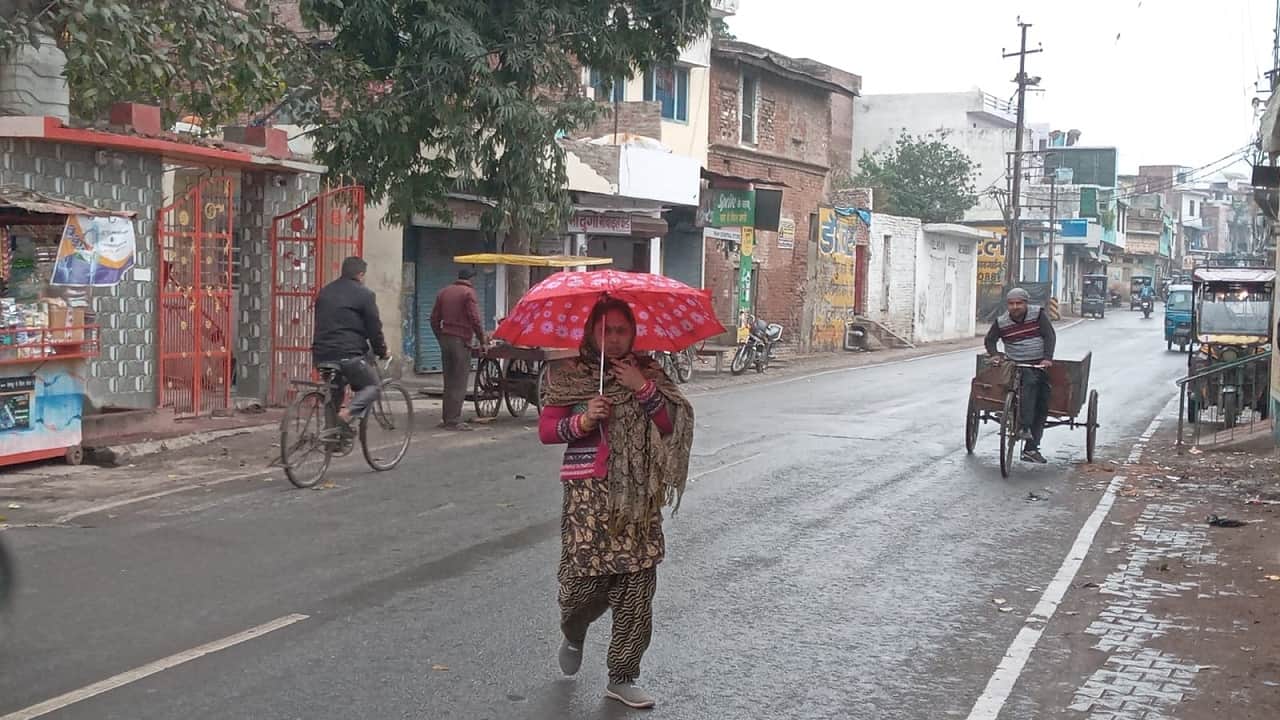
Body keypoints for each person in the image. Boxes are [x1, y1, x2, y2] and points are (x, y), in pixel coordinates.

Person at [538, 298, 694, 710]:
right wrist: (584, 420)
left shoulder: (649, 372)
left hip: (638, 498)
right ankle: (574, 630)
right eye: (605, 330)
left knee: (637, 586)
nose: (614, 338)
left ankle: (623, 676)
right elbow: (547, 430)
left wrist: (642, 388)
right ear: (592, 333)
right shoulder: (572, 376)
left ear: (633, 334)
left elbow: (671, 424)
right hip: (588, 495)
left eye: (622, 330)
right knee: (582, 587)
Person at [312, 256, 388, 433]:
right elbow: (374, 327)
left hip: (321, 353)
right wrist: (381, 350)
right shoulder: (365, 294)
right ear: (360, 274)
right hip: (348, 354)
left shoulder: (325, 291)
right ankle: (347, 414)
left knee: (335, 389)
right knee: (373, 386)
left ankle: (331, 433)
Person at [984, 288, 1056, 464]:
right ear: (1007, 305)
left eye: (1019, 303)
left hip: (1037, 364)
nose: (1015, 307)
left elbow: (1049, 336)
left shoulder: (1037, 315)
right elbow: (990, 340)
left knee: (1042, 403)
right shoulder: (1001, 322)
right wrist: (995, 354)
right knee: (1025, 382)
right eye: (1011, 304)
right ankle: (1020, 423)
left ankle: (1031, 448)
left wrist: (1047, 358)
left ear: (1026, 303)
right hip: (1015, 364)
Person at [430, 268, 487, 431]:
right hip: (461, 340)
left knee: (449, 381)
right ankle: (453, 420)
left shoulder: (444, 292)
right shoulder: (468, 293)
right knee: (459, 381)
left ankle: (447, 418)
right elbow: (475, 319)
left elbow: (434, 319)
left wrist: (440, 337)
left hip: (446, 338)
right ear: (471, 279)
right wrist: (482, 340)